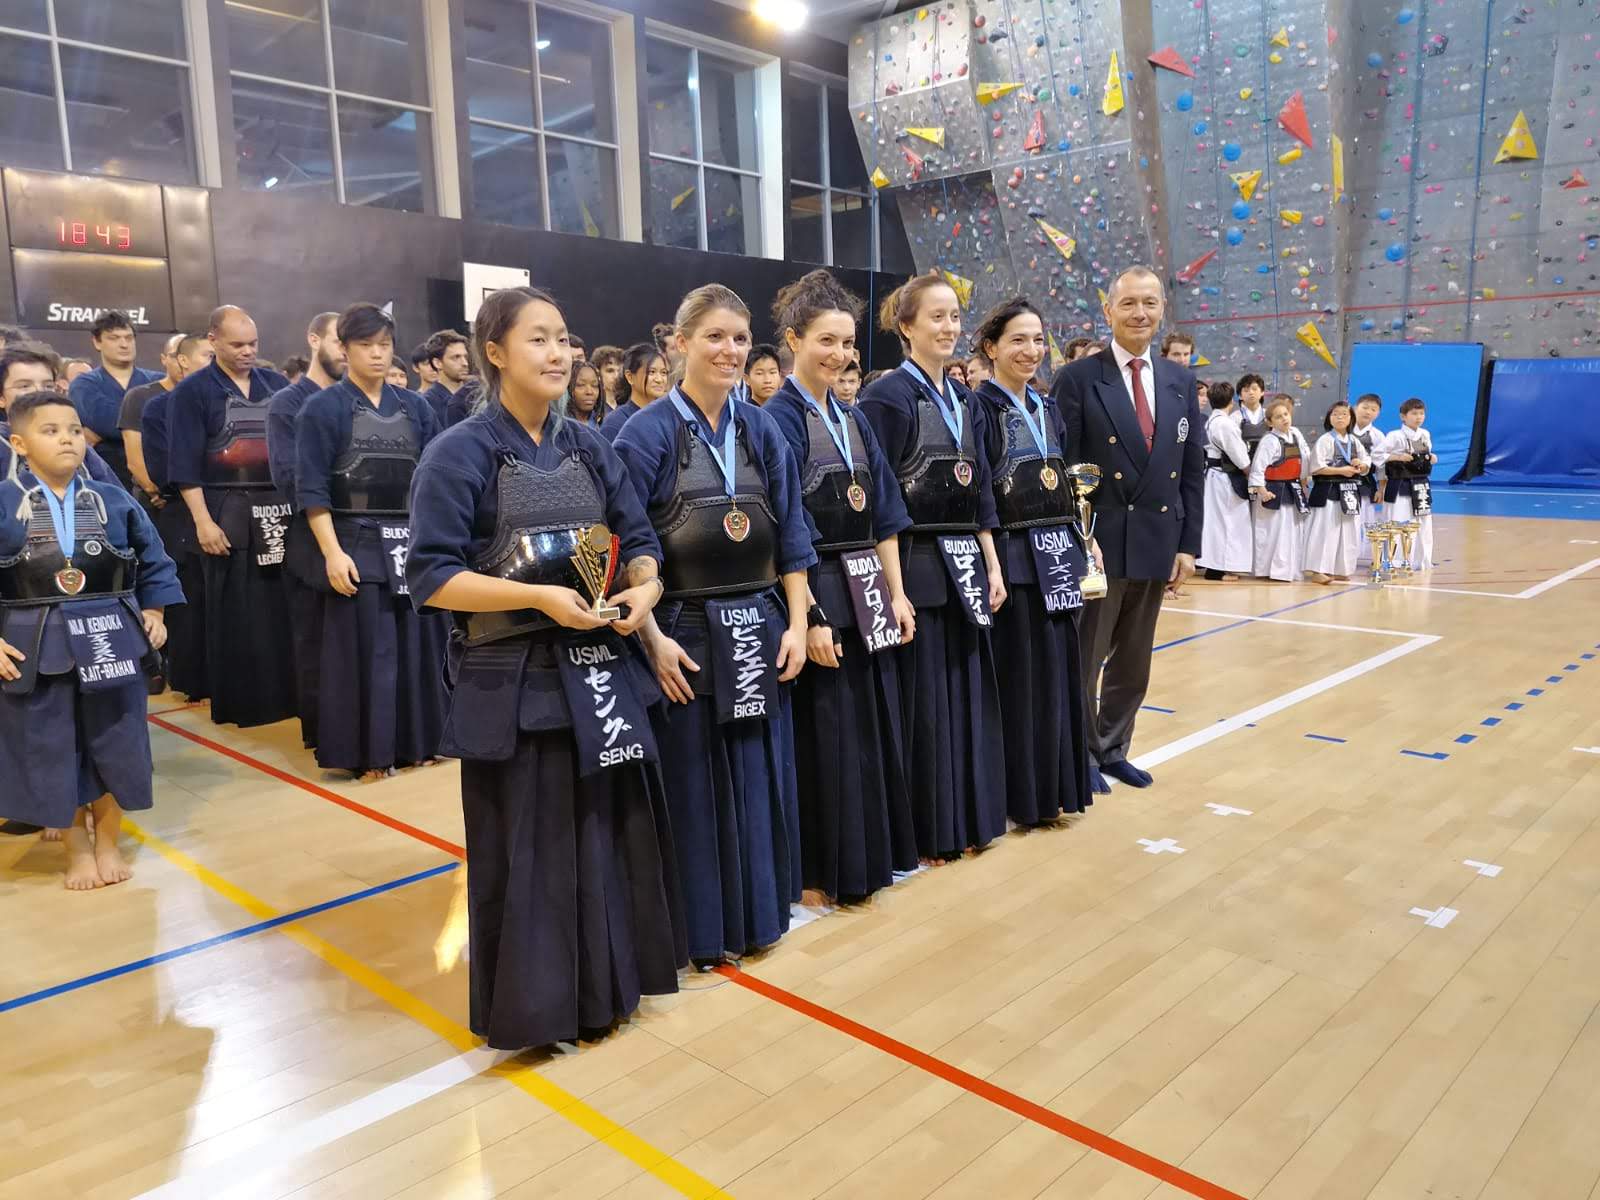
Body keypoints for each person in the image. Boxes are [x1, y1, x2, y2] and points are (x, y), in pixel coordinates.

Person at [406, 285, 686, 1047]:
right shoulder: (457, 453)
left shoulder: (591, 447)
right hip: (513, 682)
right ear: (494, 352)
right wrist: (538, 598)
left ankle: (607, 993)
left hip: (599, 675)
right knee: (531, 851)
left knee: (605, 835)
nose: (558, 354)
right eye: (538, 340)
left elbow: (639, 540)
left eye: (564, 338)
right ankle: (537, 1012)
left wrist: (648, 590)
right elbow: (430, 579)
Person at [613, 283, 814, 964]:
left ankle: (759, 916)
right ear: (680, 344)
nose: (729, 351)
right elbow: (627, 547)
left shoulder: (761, 428)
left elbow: (791, 537)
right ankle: (700, 932)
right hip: (684, 637)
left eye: (737, 338)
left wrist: (795, 621)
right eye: (714, 337)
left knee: (758, 778)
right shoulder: (643, 434)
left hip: (758, 627)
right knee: (697, 790)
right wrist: (653, 641)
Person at [764, 269, 917, 903]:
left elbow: (882, 512)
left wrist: (897, 590)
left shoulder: (853, 418)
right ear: (794, 339)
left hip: (867, 588)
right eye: (826, 341)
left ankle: (870, 856)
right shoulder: (774, 419)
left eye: (848, 343)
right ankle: (822, 872)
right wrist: (815, 615)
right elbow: (784, 526)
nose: (840, 355)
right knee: (824, 732)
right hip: (815, 590)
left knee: (870, 722)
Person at [0, 389, 183, 887]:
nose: (67, 440)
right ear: (18, 443)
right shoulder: (3, 502)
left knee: (116, 744)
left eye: (75, 430)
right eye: (50, 431)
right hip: (34, 646)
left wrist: (154, 609)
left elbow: (154, 557)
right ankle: (76, 851)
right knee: (50, 748)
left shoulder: (113, 498)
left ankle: (107, 843)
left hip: (111, 638)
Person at [859, 273, 1007, 858]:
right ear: (906, 326)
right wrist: (892, 586)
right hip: (918, 564)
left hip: (967, 565)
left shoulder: (964, 398)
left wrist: (993, 564)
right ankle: (930, 829)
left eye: (953, 317)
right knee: (926, 706)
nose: (948, 328)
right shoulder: (887, 396)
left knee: (965, 696)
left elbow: (982, 491)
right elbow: (881, 497)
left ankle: (968, 819)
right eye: (935, 317)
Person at [1050, 266, 1204, 792]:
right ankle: (1082, 756)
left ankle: (1114, 748)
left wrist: (1189, 545)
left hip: (1158, 539)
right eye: (1130, 304)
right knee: (1086, 656)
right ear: (1109, 311)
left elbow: (1191, 469)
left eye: (1151, 304)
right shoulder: (1077, 378)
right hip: (1099, 541)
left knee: (1134, 661)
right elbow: (1066, 466)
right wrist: (1077, 540)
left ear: (1163, 310)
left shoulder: (1181, 380)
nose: (1141, 313)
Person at [295, 304, 447, 776]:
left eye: (385, 345)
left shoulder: (416, 407)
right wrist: (332, 554)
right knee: (368, 651)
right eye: (367, 346)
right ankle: (369, 754)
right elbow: (313, 490)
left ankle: (424, 743)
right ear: (343, 348)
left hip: (411, 539)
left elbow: (436, 479)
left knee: (420, 647)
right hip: (354, 538)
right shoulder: (322, 408)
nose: (378, 355)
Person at [972, 297, 1093, 825]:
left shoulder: (1047, 408)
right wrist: (993, 564)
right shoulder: (978, 408)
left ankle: (1059, 788)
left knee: (1058, 676)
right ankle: (1020, 797)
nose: (1031, 350)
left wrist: (1085, 537)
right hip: (1012, 563)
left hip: (1058, 557)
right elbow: (978, 492)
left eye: (1038, 339)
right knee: (1019, 681)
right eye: (1018, 340)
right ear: (991, 347)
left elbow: (1066, 484)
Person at [167, 304, 295, 727]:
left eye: (253, 344)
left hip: (277, 505)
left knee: (282, 604)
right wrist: (203, 521)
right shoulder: (192, 392)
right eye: (237, 344)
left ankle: (289, 694)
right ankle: (245, 702)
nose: (246, 352)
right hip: (225, 506)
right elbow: (184, 465)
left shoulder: (277, 385)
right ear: (213, 340)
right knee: (237, 610)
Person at [267, 311, 346, 744]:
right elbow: (288, 475)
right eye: (338, 341)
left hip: (366, 537)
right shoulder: (289, 403)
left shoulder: (365, 402)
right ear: (314, 340)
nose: (346, 351)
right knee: (318, 641)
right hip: (312, 537)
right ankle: (326, 735)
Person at [67, 310, 161, 490]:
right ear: (97, 342)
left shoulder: (157, 381)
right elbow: (108, 424)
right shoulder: (84, 385)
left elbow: (173, 427)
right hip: (107, 481)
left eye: (129, 337)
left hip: (158, 479)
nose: (124, 344)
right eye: (114, 338)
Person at [1303, 399, 1371, 583]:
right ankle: (1318, 570)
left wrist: (1361, 465)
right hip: (1328, 491)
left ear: (1351, 418)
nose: (1340, 417)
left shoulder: (1354, 441)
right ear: (1329, 418)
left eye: (1344, 414)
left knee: (1348, 532)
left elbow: (1367, 463)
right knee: (1325, 531)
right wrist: (1342, 470)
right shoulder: (1325, 440)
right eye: (1335, 414)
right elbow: (1316, 468)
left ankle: (1342, 568)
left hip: (1349, 493)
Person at [119, 333, 185, 512]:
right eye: (175, 356)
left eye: (186, 356)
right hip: (154, 500)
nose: (182, 363)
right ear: (164, 359)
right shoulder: (139, 396)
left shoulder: (205, 397)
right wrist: (157, 492)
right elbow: (134, 460)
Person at [1247, 397, 1311, 582]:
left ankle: (1288, 570)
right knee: (1272, 532)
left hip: (1293, 487)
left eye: (1286, 414)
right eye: (1278, 417)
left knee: (1292, 531)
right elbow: (1258, 468)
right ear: (1270, 422)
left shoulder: (1296, 434)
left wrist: (1305, 478)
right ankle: (1268, 570)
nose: (1284, 419)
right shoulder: (1269, 440)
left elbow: (1305, 458)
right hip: (1272, 490)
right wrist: (1262, 490)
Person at [1197, 380, 1250, 580]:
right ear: (1232, 401)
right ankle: (1218, 569)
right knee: (1227, 522)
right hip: (1224, 477)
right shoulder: (1225, 424)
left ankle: (1217, 567)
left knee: (1216, 522)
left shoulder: (1211, 421)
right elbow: (1240, 456)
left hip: (1213, 475)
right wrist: (1251, 473)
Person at [1381, 398, 1437, 570]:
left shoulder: (1425, 434)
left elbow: (1426, 455)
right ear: (1403, 416)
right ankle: (1396, 560)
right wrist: (1396, 457)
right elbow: (1377, 455)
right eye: (1414, 413)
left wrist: (1432, 457)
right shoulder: (1394, 436)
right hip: (1400, 484)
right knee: (1399, 521)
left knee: (1423, 524)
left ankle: (1422, 560)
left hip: (1421, 485)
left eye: (1421, 413)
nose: (1418, 417)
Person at [601, 342, 669, 443]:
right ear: (630, 377)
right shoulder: (615, 422)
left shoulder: (668, 418)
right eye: (651, 372)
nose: (659, 379)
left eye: (663, 373)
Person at [1351, 393, 1388, 568]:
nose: (1368, 412)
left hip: (1366, 483)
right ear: (1355, 407)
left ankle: (1371, 556)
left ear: (1378, 413)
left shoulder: (1378, 436)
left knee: (1368, 519)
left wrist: (1381, 489)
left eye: (1373, 409)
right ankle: (1347, 555)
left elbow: (1381, 467)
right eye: (1365, 407)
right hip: (1341, 482)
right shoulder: (1344, 429)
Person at [421, 330, 471, 428]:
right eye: (456, 357)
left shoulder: (476, 395)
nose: (465, 363)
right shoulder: (427, 404)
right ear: (437, 363)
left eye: (465, 357)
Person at [1234, 372, 1269, 461]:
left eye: (1254, 389)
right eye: (1246, 390)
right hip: (1242, 466)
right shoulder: (1234, 418)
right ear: (1240, 396)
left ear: (1262, 392)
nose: (1251, 393)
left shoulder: (1269, 415)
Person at [566, 360, 603, 426]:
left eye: (594, 385)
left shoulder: (603, 424)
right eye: (581, 385)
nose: (589, 392)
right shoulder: (558, 426)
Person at [590, 344, 624, 415]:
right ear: (597, 372)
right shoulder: (592, 407)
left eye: (619, 371)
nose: (616, 376)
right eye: (610, 371)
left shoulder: (628, 405)